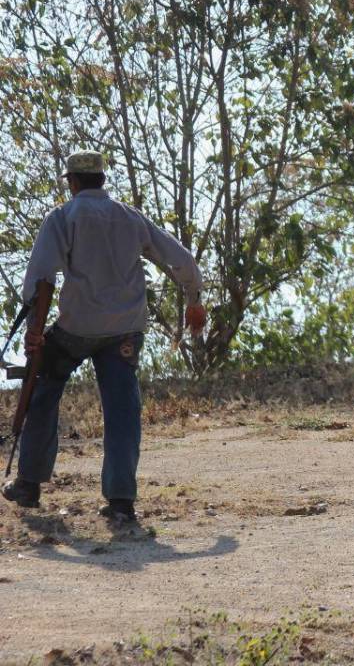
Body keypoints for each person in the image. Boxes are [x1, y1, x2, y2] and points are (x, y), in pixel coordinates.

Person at [1, 151, 206, 521]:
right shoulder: (130, 217)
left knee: (44, 390)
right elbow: (181, 258)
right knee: (123, 408)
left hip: (76, 328)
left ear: (73, 182)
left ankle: (29, 483)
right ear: (102, 180)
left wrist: (34, 330)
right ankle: (121, 501)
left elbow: (40, 277)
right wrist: (194, 300)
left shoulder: (63, 217)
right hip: (126, 329)